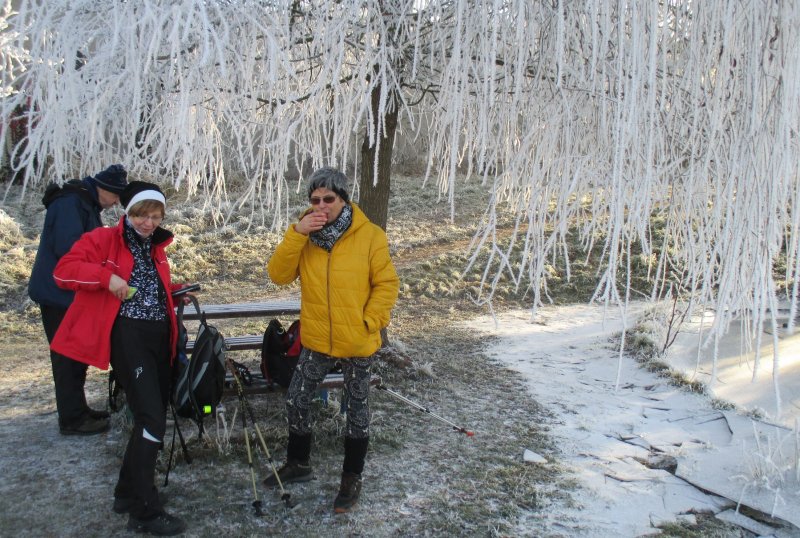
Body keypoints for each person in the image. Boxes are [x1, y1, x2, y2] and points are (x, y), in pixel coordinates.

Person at [50, 181, 187, 536]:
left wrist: (173, 292)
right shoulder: (103, 240)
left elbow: (147, 287)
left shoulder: (154, 247)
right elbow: (63, 271)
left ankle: (127, 493)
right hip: (128, 338)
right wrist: (104, 278)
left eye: (156, 216)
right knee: (152, 420)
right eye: (143, 215)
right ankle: (144, 510)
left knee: (150, 417)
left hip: (159, 338)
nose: (150, 222)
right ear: (129, 212)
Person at [266, 167, 400, 514]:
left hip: (357, 340)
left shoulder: (369, 235)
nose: (321, 205)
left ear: (343, 199)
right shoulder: (304, 234)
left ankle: (351, 477)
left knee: (357, 411)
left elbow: (387, 284)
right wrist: (296, 234)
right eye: (315, 200)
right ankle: (298, 463)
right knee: (297, 399)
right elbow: (278, 275)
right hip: (317, 340)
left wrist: (370, 321)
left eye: (329, 199)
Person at [28, 164, 128, 435]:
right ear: (103, 189)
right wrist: (105, 270)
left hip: (69, 293)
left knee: (75, 354)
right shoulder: (70, 204)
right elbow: (70, 250)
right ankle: (72, 419)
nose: (116, 202)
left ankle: (79, 410)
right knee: (65, 357)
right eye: (115, 196)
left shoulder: (82, 203)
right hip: (57, 294)